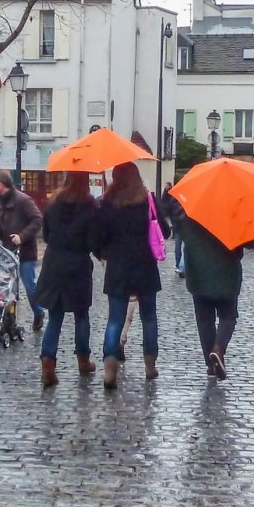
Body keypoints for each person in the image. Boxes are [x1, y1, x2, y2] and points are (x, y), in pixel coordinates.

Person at [92, 162, 161, 389]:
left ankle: (109, 370)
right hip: (145, 266)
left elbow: (97, 238)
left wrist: (105, 254)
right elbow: (164, 229)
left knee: (115, 320)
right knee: (149, 318)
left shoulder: (107, 203)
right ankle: (150, 366)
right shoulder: (148, 200)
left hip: (118, 267)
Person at [33, 173, 98, 386]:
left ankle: (47, 366)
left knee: (55, 316)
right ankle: (83, 361)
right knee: (81, 315)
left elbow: (46, 235)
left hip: (54, 264)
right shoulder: (89, 206)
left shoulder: (53, 204)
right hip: (78, 266)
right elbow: (93, 241)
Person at [182, 216, 243, 380]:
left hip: (199, 274)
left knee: (204, 320)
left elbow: (186, 241)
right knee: (228, 317)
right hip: (226, 274)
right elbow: (240, 248)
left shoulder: (192, 215)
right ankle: (218, 349)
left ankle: (211, 365)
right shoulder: (232, 216)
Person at [0, 171, 44, 331]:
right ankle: (9, 320)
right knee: (7, 287)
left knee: (29, 286)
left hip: (25, 251)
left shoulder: (23, 200)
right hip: (7, 251)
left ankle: (38, 312)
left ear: (1, 185)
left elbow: (37, 220)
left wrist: (22, 236)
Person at [160, 184, 187, 277]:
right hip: (185, 226)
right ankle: (182, 266)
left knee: (178, 246)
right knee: (185, 246)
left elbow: (167, 208)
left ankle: (178, 265)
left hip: (177, 225)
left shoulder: (173, 197)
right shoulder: (186, 197)